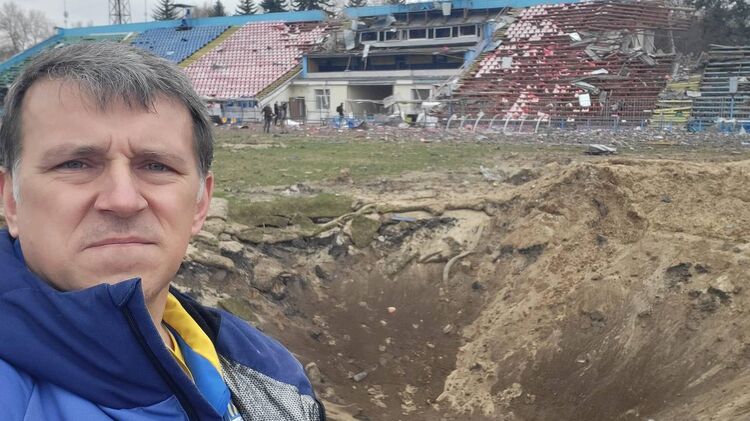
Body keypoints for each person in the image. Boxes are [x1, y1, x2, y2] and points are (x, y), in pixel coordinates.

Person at [0, 43, 324, 420]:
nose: (123, 200)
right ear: (11, 201)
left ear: (200, 204)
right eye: (75, 164)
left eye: (156, 166)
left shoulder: (276, 378)